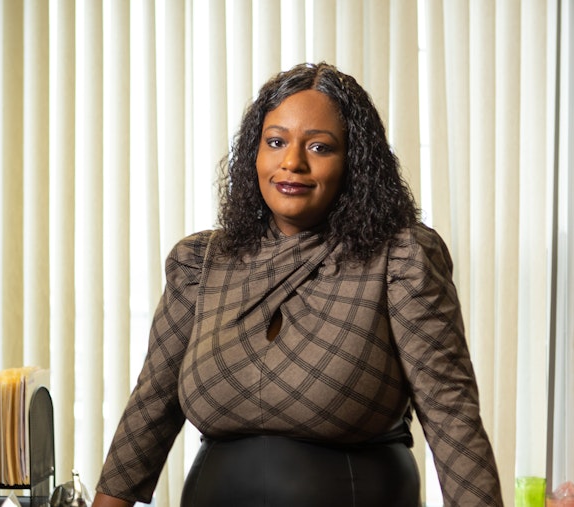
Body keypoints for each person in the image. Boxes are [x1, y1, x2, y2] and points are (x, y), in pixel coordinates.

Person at [93, 62, 503, 506]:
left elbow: (450, 414)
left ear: (355, 163)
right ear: (254, 153)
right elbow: (150, 409)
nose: (292, 162)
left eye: (320, 147)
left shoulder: (399, 257)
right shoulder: (201, 262)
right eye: (276, 142)